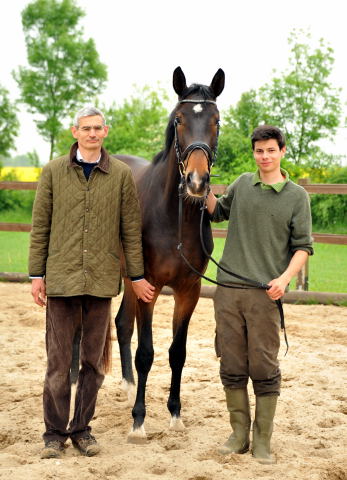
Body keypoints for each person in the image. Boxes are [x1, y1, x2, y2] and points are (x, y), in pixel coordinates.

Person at [29, 106, 155, 459]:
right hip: (61, 281)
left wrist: (137, 275)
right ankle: (54, 433)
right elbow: (40, 227)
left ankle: (82, 430)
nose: (92, 133)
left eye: (98, 128)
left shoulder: (120, 175)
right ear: (75, 131)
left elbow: (131, 231)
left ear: (106, 131)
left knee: (93, 365)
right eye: (86, 128)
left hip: (101, 283)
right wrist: (37, 276)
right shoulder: (53, 172)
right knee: (57, 364)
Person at [206, 124, 313, 464]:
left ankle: (262, 440)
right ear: (254, 153)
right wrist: (200, 180)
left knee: (264, 366)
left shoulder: (297, 197)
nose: (264, 156)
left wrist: (284, 279)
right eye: (259, 151)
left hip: (266, 294)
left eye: (270, 150)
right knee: (232, 364)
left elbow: (302, 247)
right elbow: (216, 212)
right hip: (227, 291)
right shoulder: (241, 184)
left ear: (282, 151)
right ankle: (238, 435)